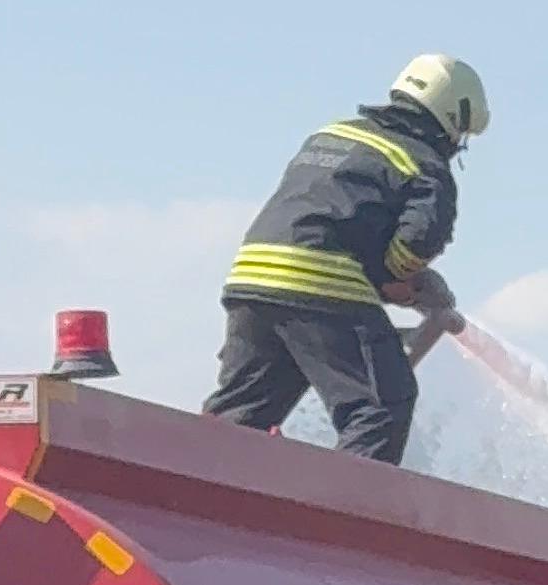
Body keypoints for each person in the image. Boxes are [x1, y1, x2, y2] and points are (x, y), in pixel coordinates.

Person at [203, 56, 488, 465]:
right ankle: (340, 522)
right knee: (380, 409)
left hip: (252, 277)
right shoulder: (424, 162)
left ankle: (205, 497)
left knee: (241, 415)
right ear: (450, 116)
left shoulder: (332, 134)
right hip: (319, 281)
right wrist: (400, 279)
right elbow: (420, 238)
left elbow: (338, 212)